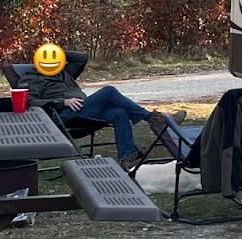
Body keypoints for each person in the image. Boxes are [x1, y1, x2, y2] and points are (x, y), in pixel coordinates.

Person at [15, 53, 178, 168]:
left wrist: (58, 52)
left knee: (119, 113)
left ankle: (127, 158)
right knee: (109, 91)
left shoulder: (62, 73)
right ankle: (153, 118)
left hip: (84, 111)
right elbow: (31, 102)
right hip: (64, 116)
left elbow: (81, 58)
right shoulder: (32, 77)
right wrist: (62, 101)